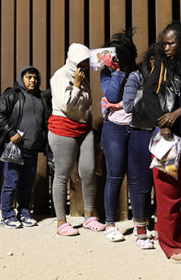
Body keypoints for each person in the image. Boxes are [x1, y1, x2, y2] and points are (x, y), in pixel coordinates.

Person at [127, 21, 181, 260]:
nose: (166, 47)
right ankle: (171, 244)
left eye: (172, 43)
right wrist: (162, 123)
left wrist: (178, 113)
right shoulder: (160, 64)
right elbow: (148, 93)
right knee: (168, 192)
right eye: (164, 43)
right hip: (169, 136)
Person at [48, 43, 104, 235]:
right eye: (80, 62)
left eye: (86, 62)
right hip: (63, 127)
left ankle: (89, 216)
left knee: (88, 171)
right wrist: (77, 86)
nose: (84, 66)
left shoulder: (83, 76)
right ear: (72, 61)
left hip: (83, 127)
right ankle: (61, 222)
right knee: (62, 174)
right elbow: (66, 105)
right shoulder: (60, 76)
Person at [99, 30, 147, 244]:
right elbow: (110, 95)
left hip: (136, 127)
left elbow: (140, 98)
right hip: (114, 129)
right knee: (115, 176)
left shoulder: (138, 73)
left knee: (137, 179)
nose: (113, 59)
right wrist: (116, 72)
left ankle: (140, 227)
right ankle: (110, 224)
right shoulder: (107, 73)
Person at [0, 65, 51, 229]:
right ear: (21, 78)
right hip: (15, 147)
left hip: (32, 149)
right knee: (11, 182)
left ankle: (24, 213)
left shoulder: (41, 98)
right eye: (28, 77)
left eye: (35, 77)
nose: (32, 80)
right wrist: (11, 132)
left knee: (27, 183)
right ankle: (7, 215)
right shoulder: (12, 94)